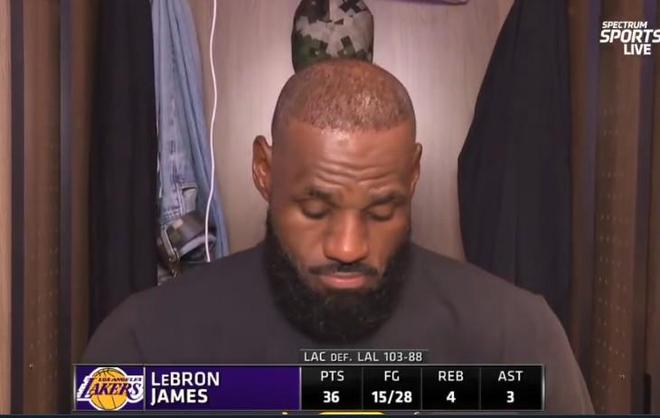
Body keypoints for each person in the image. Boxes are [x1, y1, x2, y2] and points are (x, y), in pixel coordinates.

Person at [83, 59, 593, 413]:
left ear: (413, 175)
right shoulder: (142, 347)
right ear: (264, 171)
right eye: (315, 208)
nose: (349, 247)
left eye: (382, 209)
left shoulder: (517, 339)